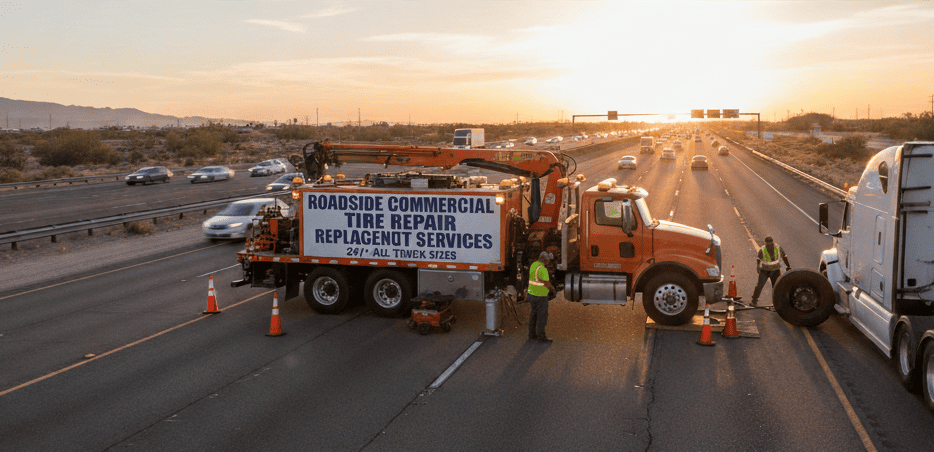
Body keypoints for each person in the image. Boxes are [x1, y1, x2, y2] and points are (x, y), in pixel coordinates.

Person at [750, 236, 791, 307]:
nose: (770, 246)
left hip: (775, 271)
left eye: (771, 244)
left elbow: (784, 257)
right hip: (764, 271)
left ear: (773, 243)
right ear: (766, 244)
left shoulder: (778, 248)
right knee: (759, 286)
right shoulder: (762, 249)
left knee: (776, 287)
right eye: (768, 244)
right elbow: (758, 258)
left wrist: (788, 266)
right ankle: (754, 301)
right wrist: (758, 266)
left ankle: (776, 302)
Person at [527, 251, 556, 343]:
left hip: (531, 294)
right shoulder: (542, 269)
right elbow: (546, 283)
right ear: (546, 261)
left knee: (533, 315)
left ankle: (532, 335)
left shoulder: (533, 265)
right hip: (540, 296)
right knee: (541, 317)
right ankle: (541, 337)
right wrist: (553, 290)